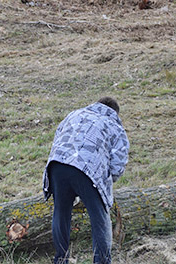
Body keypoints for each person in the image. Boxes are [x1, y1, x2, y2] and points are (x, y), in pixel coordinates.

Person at [43, 97, 129, 264]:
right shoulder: (114, 126)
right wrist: (104, 185)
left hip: (58, 165)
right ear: (114, 112)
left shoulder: (73, 114)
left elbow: (58, 139)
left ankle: (60, 259)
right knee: (100, 219)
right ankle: (102, 261)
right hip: (88, 170)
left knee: (61, 212)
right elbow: (118, 165)